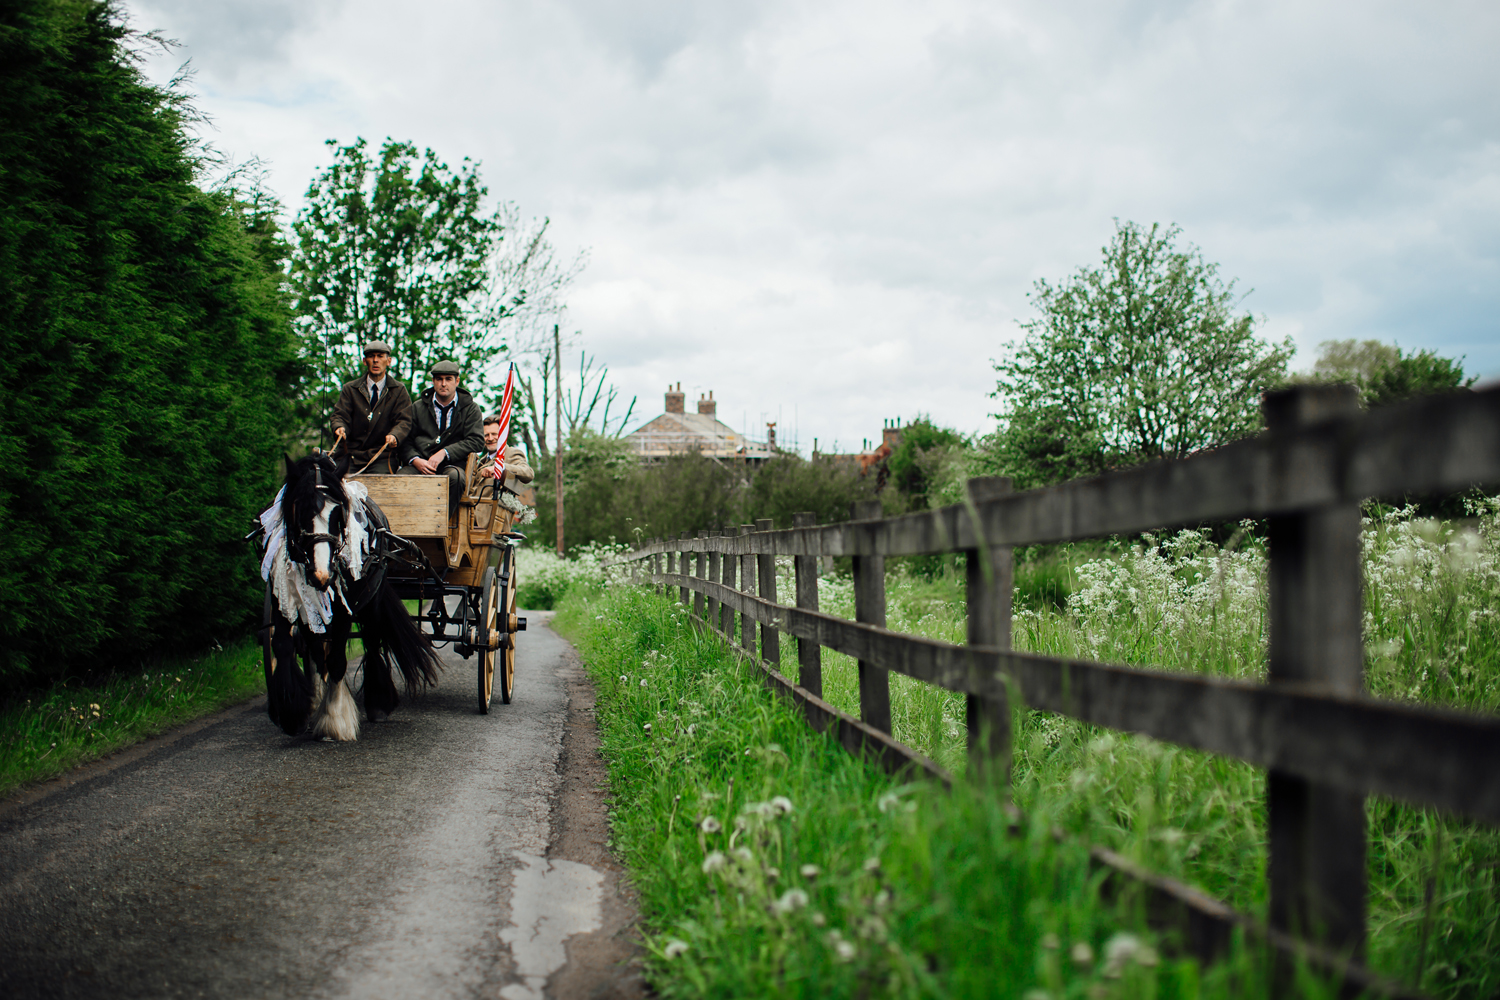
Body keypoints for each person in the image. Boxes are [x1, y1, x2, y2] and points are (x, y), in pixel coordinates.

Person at [398, 360, 485, 510]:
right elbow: (405, 441)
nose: (443, 384)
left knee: (456, 478)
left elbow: (476, 441)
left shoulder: (470, 408)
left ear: (457, 381)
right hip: (421, 465)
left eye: (448, 379)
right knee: (399, 479)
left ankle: (441, 525)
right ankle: (405, 529)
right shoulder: (418, 407)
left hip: (452, 465)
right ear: (433, 381)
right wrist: (415, 460)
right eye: (439, 379)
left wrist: (445, 452)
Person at [331, 340, 414, 474]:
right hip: (350, 455)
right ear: (365, 361)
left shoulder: (399, 390)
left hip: (381, 457)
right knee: (334, 483)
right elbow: (340, 415)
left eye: (380, 356)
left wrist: (395, 435)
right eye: (371, 356)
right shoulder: (350, 389)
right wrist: (339, 427)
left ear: (388, 361)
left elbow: (404, 421)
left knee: (380, 486)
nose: (375, 360)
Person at [478, 415, 535, 491]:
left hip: (494, 502)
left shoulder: (511, 453)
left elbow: (528, 473)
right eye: (486, 435)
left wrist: (500, 467)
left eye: (494, 434)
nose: (490, 438)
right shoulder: (482, 461)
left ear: (503, 435)